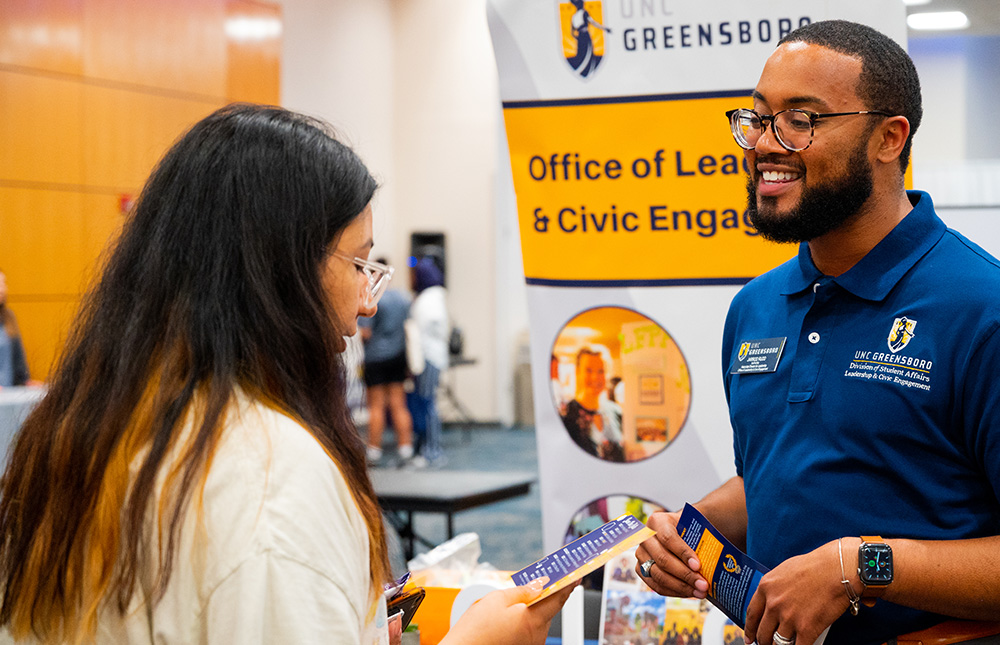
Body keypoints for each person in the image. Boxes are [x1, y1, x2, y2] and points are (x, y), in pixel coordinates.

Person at [0, 104, 573, 644]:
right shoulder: (272, 483)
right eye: (358, 264)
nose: (367, 302)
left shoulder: (78, 435)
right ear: (279, 271)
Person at [635, 20, 1000, 645]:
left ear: (889, 138)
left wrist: (860, 567)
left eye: (802, 120)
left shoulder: (997, 317)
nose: (767, 144)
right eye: (757, 118)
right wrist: (690, 533)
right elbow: (772, 477)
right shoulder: (756, 308)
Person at [358, 263, 416, 466]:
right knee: (399, 404)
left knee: (376, 407)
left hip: (376, 358)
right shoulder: (402, 298)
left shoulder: (373, 299)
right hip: (397, 357)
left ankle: (374, 451)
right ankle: (405, 448)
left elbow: (366, 333)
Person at [407, 258, 449, 466]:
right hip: (429, 356)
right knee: (426, 403)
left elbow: (432, 327)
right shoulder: (433, 297)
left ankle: (432, 450)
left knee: (427, 403)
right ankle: (428, 448)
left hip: (429, 357)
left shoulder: (430, 299)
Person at [561, 346, 624, 462]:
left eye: (601, 371)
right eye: (589, 370)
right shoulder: (568, 415)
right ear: (578, 372)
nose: (595, 377)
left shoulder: (614, 411)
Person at [0, 270, 32, 388]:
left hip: (8, 394)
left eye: (3, 284)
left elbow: (18, 356)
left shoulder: (9, 317)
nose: (2, 290)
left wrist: (26, 381)